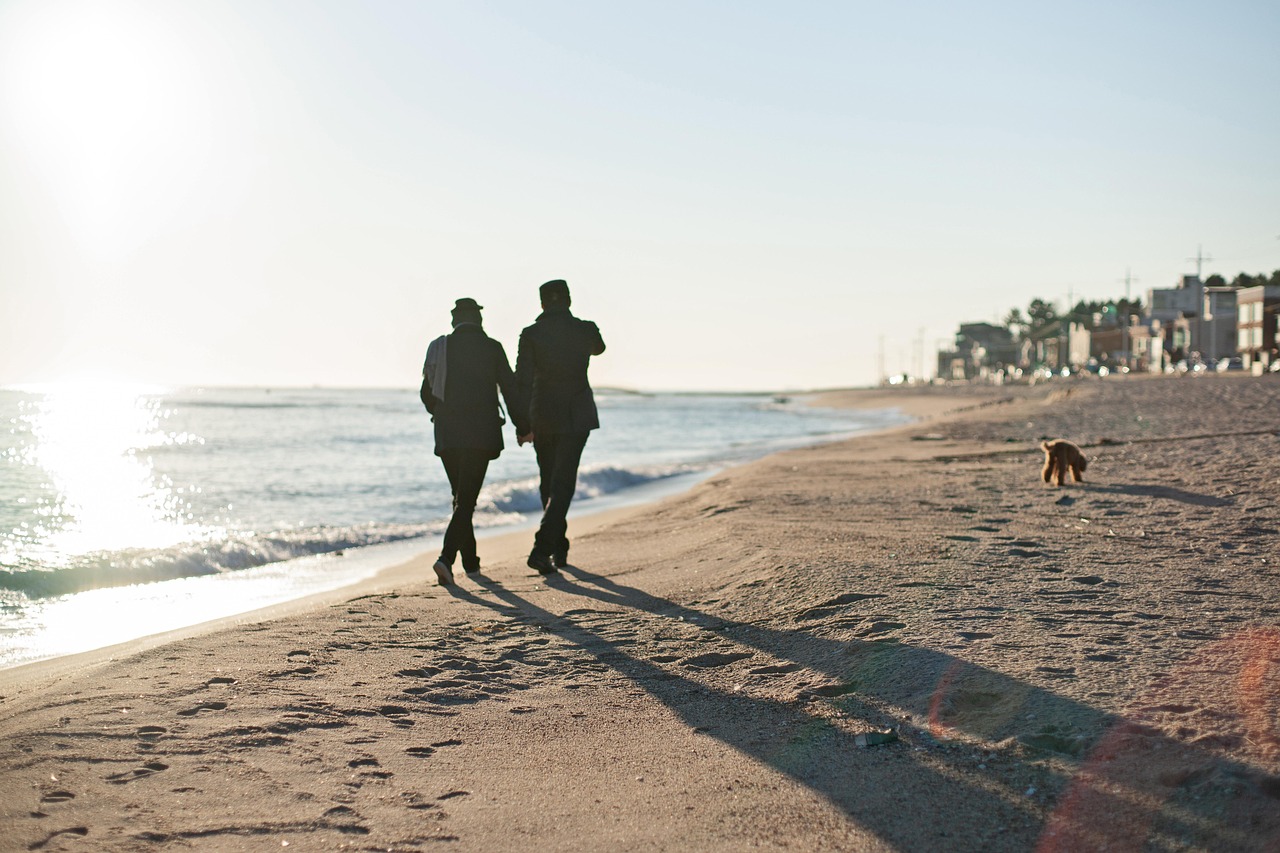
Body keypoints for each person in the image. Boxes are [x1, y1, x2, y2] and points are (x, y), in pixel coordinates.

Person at [420, 297, 526, 586]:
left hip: (447, 434)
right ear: (478, 319)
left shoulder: (439, 348)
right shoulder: (492, 348)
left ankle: (472, 564)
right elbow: (510, 390)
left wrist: (443, 414)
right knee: (466, 500)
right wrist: (523, 426)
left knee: (461, 498)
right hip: (481, 435)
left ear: (455, 320)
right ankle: (446, 559)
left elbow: (426, 394)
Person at [514, 279, 606, 575]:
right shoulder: (585, 329)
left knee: (549, 482)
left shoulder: (531, 334)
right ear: (568, 300)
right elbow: (599, 348)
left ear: (542, 304)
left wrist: (522, 423)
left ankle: (553, 546)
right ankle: (548, 547)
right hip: (576, 414)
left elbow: (522, 380)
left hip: (542, 415)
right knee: (563, 484)